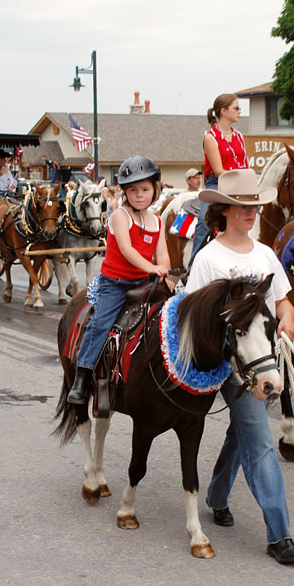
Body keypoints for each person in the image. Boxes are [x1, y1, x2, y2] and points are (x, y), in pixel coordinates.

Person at [185, 168, 294, 565]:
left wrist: (287, 318)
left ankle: (217, 496)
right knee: (259, 442)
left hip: (264, 362)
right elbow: (191, 316)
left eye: (253, 206)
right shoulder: (208, 259)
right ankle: (280, 536)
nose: (250, 213)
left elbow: (284, 300)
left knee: (243, 433)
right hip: (227, 365)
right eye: (240, 207)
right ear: (222, 211)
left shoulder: (265, 253)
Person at [67, 155, 173, 404]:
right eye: (133, 190)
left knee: (172, 316)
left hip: (144, 281)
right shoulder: (120, 216)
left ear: (154, 190)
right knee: (101, 323)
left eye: (145, 189)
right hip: (115, 283)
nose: (139, 195)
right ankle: (82, 376)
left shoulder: (156, 222)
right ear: (124, 192)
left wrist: (164, 272)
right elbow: (127, 251)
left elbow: (164, 256)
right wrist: (152, 268)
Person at [188, 93, 248, 267]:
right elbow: (219, 170)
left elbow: (244, 162)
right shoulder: (211, 138)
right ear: (223, 111)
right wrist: (242, 176)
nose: (239, 111)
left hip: (240, 183)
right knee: (204, 220)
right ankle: (193, 266)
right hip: (218, 184)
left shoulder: (239, 136)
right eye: (236, 108)